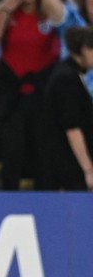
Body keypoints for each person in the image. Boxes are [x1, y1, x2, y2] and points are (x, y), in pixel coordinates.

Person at [0, 0, 59, 190]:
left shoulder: (49, 12)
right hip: (12, 96)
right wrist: (5, 11)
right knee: (13, 154)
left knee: (44, 156)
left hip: (43, 95)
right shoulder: (4, 13)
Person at [40, 26, 93, 191]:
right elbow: (72, 128)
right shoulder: (66, 79)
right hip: (68, 169)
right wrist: (89, 170)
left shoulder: (71, 74)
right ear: (84, 50)